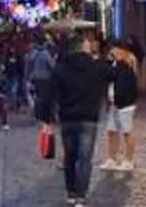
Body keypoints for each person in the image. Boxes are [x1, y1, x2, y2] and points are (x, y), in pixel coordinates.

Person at [43, 34, 114, 206]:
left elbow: (49, 94)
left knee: (70, 156)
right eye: (87, 44)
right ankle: (81, 195)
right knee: (85, 157)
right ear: (82, 47)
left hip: (67, 117)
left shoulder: (61, 68)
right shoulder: (95, 66)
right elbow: (114, 74)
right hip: (88, 117)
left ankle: (71, 192)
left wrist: (48, 117)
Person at [101, 44, 140, 172]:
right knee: (111, 131)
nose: (112, 52)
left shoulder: (126, 64)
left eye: (115, 49)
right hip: (114, 102)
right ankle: (112, 158)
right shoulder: (115, 63)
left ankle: (129, 160)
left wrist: (108, 62)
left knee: (127, 132)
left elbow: (112, 75)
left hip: (125, 104)